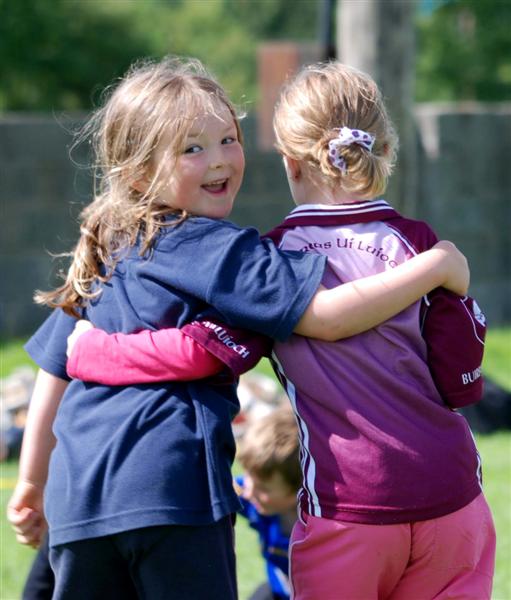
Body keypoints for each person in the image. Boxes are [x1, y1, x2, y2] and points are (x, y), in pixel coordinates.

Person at [7, 56, 470, 600]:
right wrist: (435, 265)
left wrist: (32, 482)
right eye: (192, 148)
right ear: (136, 173)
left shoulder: (105, 250)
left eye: (228, 138)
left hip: (77, 500)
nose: (220, 159)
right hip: (174, 489)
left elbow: (52, 375)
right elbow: (325, 317)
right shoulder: (222, 248)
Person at [235, 406, 300, 600]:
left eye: (263, 488)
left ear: (300, 491)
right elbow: (222, 486)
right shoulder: (254, 496)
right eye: (248, 476)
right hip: (278, 592)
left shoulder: (322, 530)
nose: (248, 491)